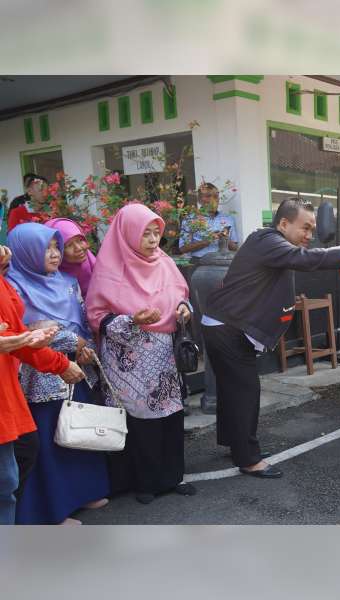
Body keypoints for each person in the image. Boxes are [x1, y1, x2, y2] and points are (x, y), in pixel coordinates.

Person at [201, 197, 340, 478]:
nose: (309, 236)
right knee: (244, 392)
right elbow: (306, 260)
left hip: (227, 325)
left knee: (232, 392)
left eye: (313, 230)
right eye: (305, 228)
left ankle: (236, 444)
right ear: (284, 223)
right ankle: (248, 459)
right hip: (228, 327)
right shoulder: (268, 240)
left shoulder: (273, 244)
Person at [85, 203, 195, 505]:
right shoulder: (110, 268)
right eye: (145, 234)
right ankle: (143, 483)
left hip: (163, 357)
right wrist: (134, 320)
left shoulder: (165, 263)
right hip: (127, 362)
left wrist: (185, 309)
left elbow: (182, 297)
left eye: (155, 233)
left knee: (170, 416)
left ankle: (172, 478)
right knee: (140, 421)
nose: (152, 240)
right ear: (128, 234)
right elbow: (98, 317)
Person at [6, 224, 110, 525]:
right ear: (26, 252)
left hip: (76, 365)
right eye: (46, 249)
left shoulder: (67, 281)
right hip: (40, 373)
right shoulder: (14, 286)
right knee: (50, 439)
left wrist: (84, 347)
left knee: (77, 430)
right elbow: (26, 331)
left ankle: (82, 493)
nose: (54, 254)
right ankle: (53, 510)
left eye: (56, 247)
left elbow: (79, 317)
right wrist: (69, 342)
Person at [0, 244, 85, 525]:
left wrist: (55, 360)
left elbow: (15, 335)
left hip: (9, 390)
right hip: (19, 391)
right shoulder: (14, 280)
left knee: (18, 465)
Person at [178, 182, 239, 259]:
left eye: (216, 196)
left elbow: (235, 248)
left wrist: (225, 239)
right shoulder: (190, 220)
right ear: (199, 200)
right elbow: (183, 248)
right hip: (199, 263)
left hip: (223, 262)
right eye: (208, 196)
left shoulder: (228, 219)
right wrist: (208, 240)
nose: (212, 200)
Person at [44, 218, 96, 299]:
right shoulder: (52, 283)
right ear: (57, 249)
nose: (78, 248)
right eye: (69, 245)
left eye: (80, 240)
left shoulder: (95, 264)